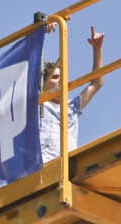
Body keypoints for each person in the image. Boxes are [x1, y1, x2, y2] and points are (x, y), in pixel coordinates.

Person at [39, 25, 105, 162]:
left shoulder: (71, 107)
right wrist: (40, 35)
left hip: (67, 166)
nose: (60, 82)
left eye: (62, 78)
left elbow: (96, 83)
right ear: (43, 83)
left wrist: (97, 48)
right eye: (55, 77)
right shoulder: (38, 105)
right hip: (44, 167)